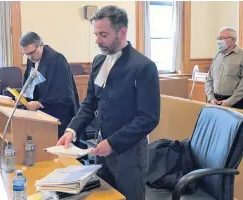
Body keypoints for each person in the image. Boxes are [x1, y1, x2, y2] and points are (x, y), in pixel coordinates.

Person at [57, 5, 160, 200]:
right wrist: (72, 130)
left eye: (103, 34)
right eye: (95, 34)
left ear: (122, 32)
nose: (97, 40)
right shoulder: (99, 61)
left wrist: (113, 143)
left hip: (128, 153)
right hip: (100, 147)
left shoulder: (143, 66)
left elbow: (149, 118)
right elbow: (89, 103)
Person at [20, 32, 81, 140]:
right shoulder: (32, 59)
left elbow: (62, 90)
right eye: (26, 54)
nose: (29, 57)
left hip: (58, 112)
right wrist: (23, 96)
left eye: (31, 53)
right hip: (40, 113)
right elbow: (29, 82)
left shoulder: (57, 59)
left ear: (40, 45)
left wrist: (40, 103)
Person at [205, 27, 243, 110]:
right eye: (218, 38)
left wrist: (229, 101)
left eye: (222, 38)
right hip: (215, 102)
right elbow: (209, 80)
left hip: (236, 103)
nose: (219, 41)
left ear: (233, 40)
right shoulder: (217, 56)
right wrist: (211, 98)